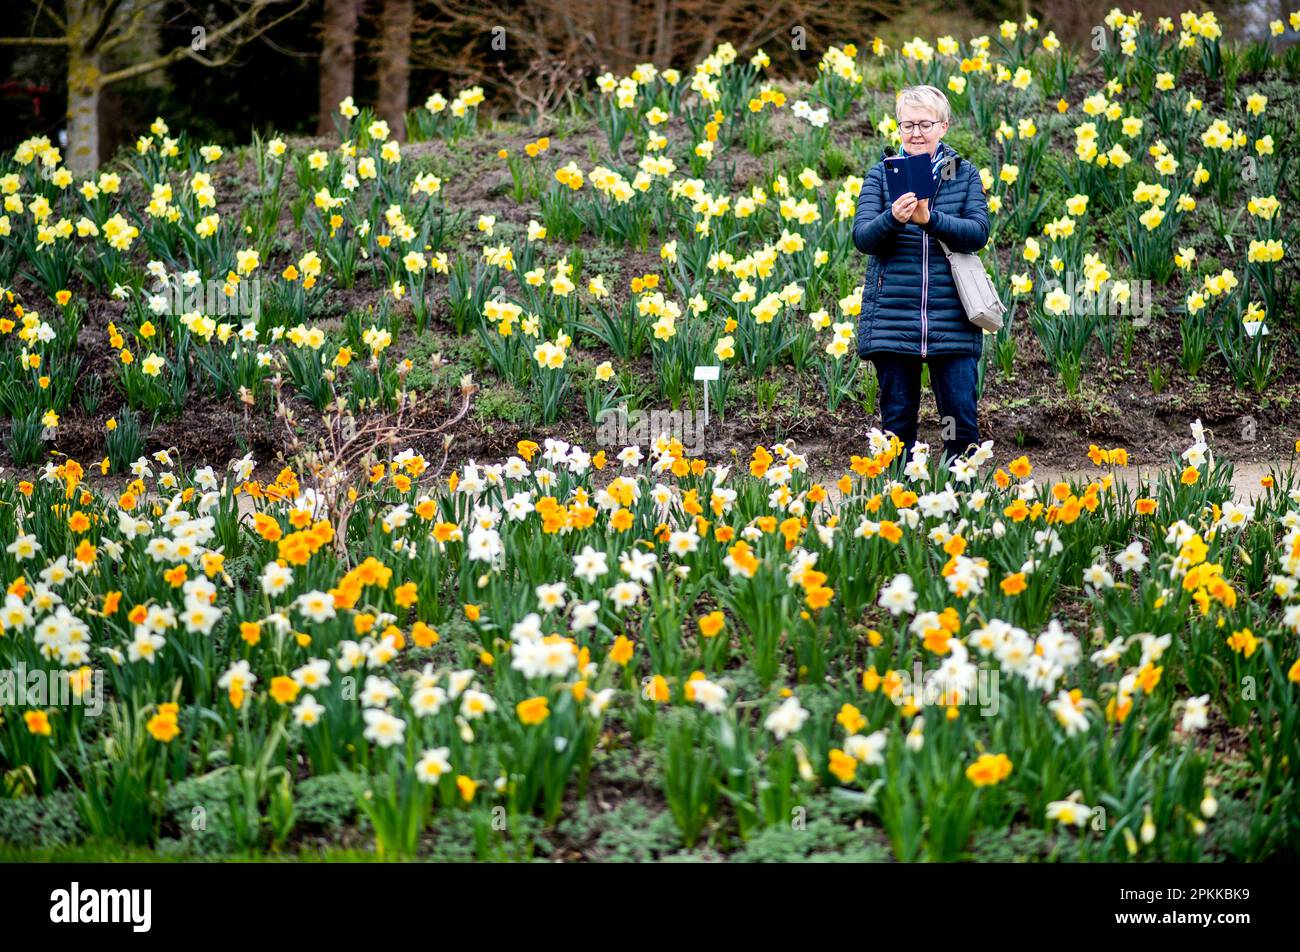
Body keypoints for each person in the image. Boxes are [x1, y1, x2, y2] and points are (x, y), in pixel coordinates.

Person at [852, 84, 991, 465]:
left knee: (960, 422)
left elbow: (978, 233)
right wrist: (893, 219)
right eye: (907, 124)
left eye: (925, 124)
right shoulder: (881, 176)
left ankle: (963, 507)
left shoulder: (962, 174)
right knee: (897, 425)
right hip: (894, 320)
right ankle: (899, 509)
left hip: (954, 318)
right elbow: (863, 238)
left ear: (943, 126)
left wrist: (931, 220)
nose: (915, 133)